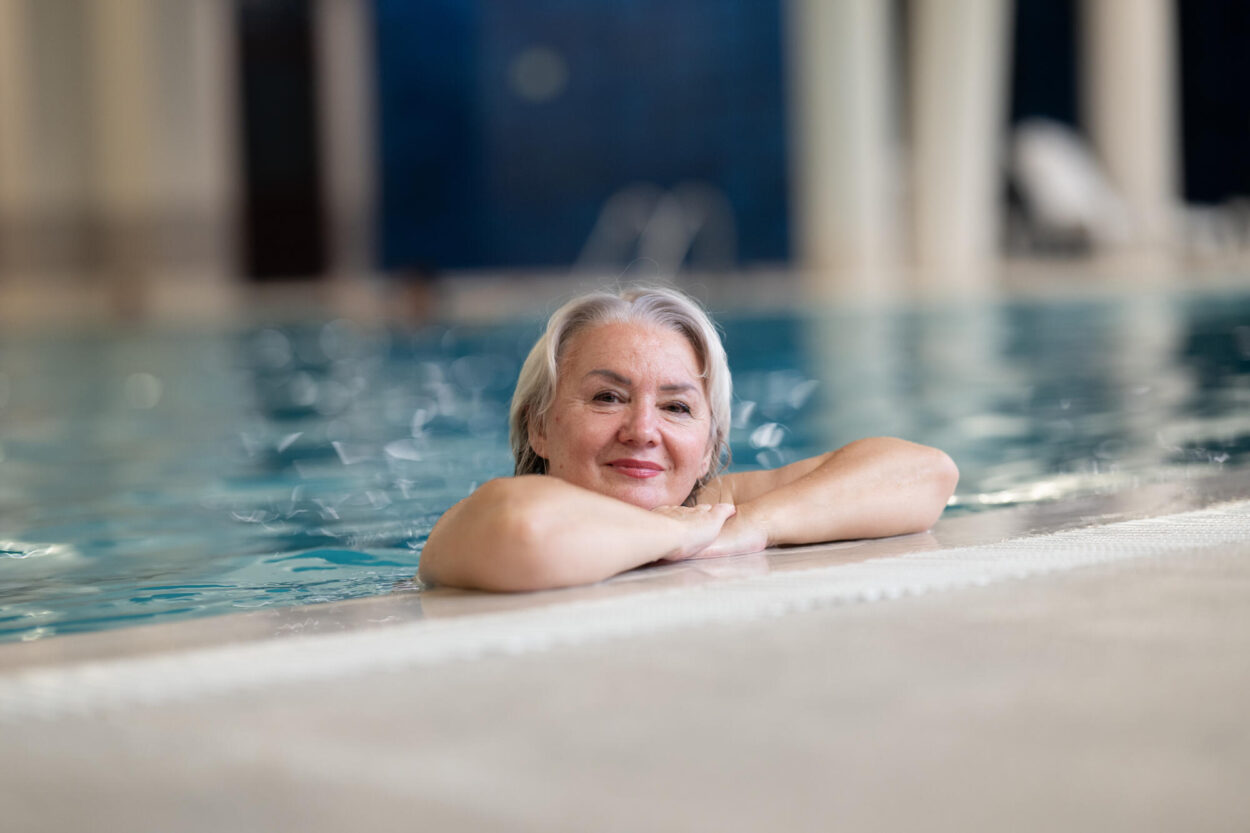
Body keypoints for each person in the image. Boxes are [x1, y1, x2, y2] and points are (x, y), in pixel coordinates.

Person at [418, 286, 959, 592]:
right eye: (607, 397)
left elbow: (926, 472)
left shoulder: (709, 510)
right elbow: (525, 531)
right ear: (539, 424)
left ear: (707, 448)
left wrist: (751, 528)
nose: (643, 431)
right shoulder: (475, 521)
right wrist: (670, 538)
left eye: (676, 407)